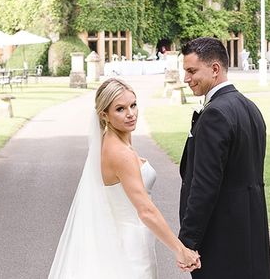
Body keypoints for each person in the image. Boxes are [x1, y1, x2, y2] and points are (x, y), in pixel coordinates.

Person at [49, 78, 200, 278]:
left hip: (123, 239)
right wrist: (180, 250)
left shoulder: (109, 144)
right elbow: (146, 211)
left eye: (133, 105)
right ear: (104, 115)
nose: (130, 114)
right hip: (130, 249)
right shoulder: (121, 154)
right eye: (120, 109)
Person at [179, 37, 270, 278]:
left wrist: (188, 240)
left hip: (222, 237)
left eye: (191, 71)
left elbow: (204, 185)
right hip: (251, 232)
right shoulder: (250, 108)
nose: (186, 78)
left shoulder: (215, 114)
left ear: (215, 69)